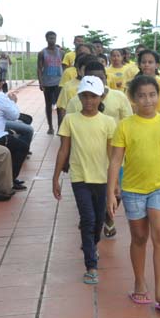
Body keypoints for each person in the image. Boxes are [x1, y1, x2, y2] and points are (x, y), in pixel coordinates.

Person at [107, 75, 160, 313]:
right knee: (139, 237)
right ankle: (140, 282)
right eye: (142, 96)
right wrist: (111, 191)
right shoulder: (125, 126)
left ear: (159, 96)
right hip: (132, 190)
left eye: (152, 95)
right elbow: (116, 160)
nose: (148, 100)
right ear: (133, 99)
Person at [52, 76, 116, 285]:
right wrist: (55, 178)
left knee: (98, 220)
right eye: (85, 96)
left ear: (101, 97)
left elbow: (112, 155)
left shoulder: (108, 122)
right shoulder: (70, 120)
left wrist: (116, 184)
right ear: (79, 96)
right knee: (87, 219)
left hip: (102, 178)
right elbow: (64, 150)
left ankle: (92, 244)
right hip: (80, 178)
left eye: (93, 96)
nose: (88, 100)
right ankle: (91, 265)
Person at [64, 61, 133, 238]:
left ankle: (108, 218)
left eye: (101, 77)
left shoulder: (118, 97)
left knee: (116, 191)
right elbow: (68, 132)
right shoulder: (75, 101)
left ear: (106, 77)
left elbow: (128, 121)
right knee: (92, 197)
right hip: (86, 158)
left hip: (115, 153)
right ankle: (92, 221)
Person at [57, 54, 96, 124]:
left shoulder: (97, 85)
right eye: (86, 70)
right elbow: (62, 109)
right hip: (75, 124)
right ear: (78, 70)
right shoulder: (68, 87)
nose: (89, 73)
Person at [37, 31, 63, 135]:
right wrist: (40, 82)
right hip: (47, 82)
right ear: (46, 39)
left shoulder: (61, 52)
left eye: (54, 38)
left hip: (58, 82)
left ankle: (60, 128)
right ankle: (50, 127)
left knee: (59, 105)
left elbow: (65, 66)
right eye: (50, 38)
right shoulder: (42, 53)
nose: (52, 40)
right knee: (48, 104)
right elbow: (39, 68)